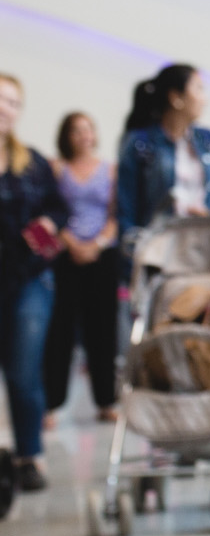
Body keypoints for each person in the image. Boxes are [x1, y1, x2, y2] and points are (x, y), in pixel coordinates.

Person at [0, 73, 68, 493]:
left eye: (12, 102)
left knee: (24, 373)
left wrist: (48, 223)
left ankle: (30, 456)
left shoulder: (34, 163)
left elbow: (59, 209)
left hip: (29, 278)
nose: (5, 108)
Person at [117, 63, 210, 245]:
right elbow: (126, 209)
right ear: (176, 97)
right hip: (158, 248)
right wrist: (131, 250)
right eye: (199, 89)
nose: (204, 100)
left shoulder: (209, 140)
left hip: (206, 245)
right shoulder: (141, 143)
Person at [43, 112, 120, 425]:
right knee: (59, 331)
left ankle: (106, 400)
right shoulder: (56, 168)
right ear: (67, 135)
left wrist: (96, 245)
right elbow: (49, 210)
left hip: (102, 256)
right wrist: (71, 243)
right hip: (65, 254)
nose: (83, 135)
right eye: (76, 130)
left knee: (102, 331)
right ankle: (51, 404)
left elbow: (115, 216)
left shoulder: (110, 170)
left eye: (88, 129)